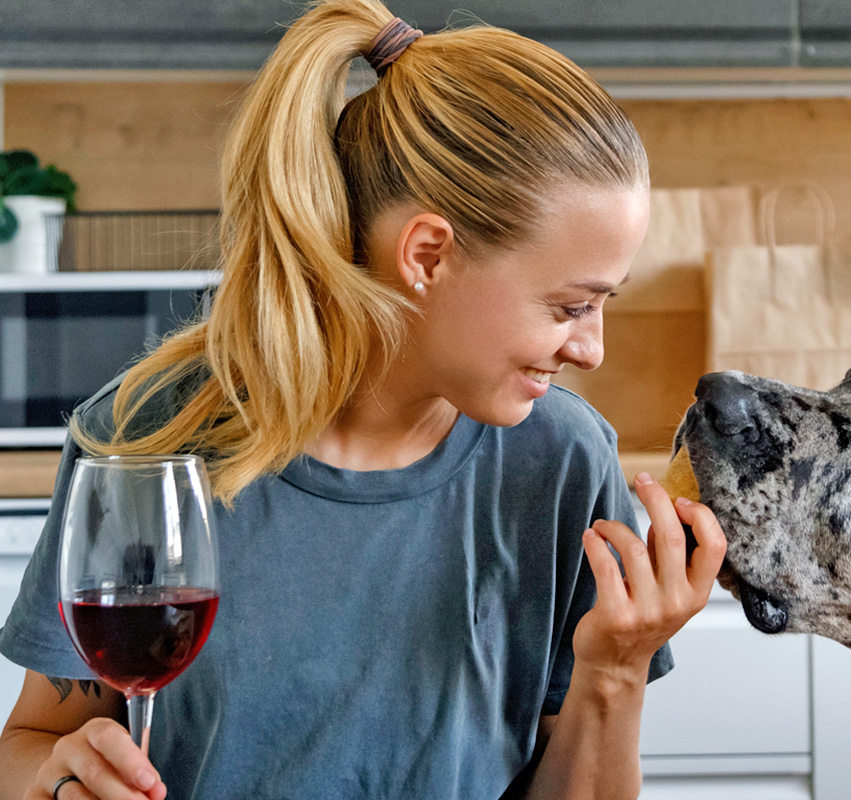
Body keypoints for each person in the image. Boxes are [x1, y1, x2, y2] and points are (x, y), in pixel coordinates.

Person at [0, 2, 727, 798]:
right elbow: (31, 745)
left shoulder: (562, 464)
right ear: (426, 254)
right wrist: (59, 782)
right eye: (568, 306)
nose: (591, 349)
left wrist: (614, 671)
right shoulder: (149, 435)